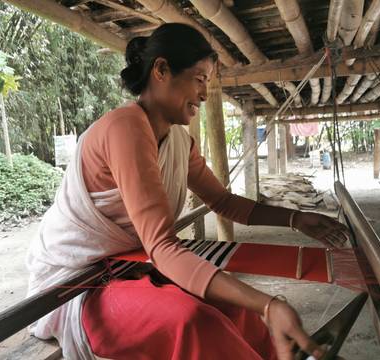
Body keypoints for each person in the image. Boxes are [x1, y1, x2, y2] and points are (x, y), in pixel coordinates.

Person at [26, 23, 349, 360]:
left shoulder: (179, 141)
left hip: (129, 267)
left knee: (236, 309)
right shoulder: (125, 129)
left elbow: (223, 201)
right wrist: (269, 304)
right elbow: (163, 246)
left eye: (206, 83)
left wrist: (297, 219)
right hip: (77, 285)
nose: (204, 94)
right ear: (161, 70)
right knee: (192, 321)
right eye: (198, 79)